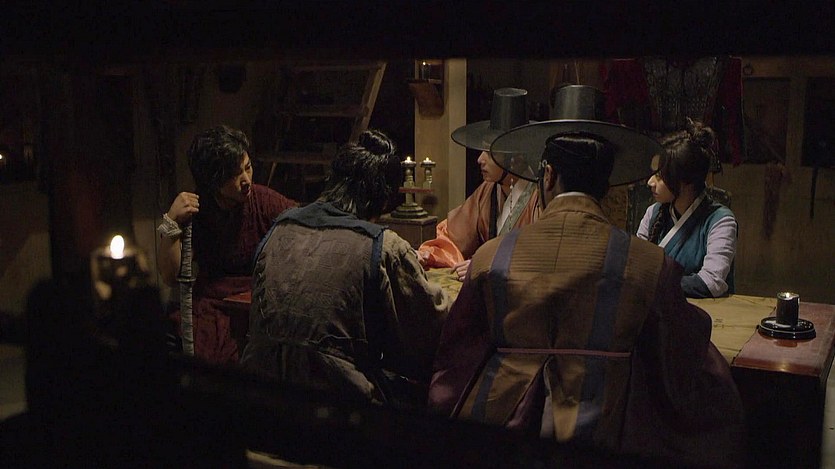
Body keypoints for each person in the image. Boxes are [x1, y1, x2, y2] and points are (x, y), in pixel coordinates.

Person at [427, 121, 745, 468]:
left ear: (548, 176)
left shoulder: (491, 256)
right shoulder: (648, 264)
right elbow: (684, 347)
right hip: (609, 434)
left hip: (502, 436)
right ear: (606, 187)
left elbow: (458, 351)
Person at [240, 129, 450, 409]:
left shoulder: (280, 228)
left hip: (258, 392)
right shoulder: (382, 245)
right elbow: (429, 323)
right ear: (382, 198)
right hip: (337, 399)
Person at [156, 125, 297, 364]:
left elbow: (301, 221)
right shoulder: (198, 210)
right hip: (213, 301)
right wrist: (171, 222)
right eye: (234, 175)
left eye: (248, 168)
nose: (246, 180)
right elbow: (171, 276)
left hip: (257, 300)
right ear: (213, 182)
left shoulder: (262, 200)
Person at [417, 88, 540, 281]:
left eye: (489, 153)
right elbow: (453, 235)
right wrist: (429, 254)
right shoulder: (488, 190)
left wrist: (487, 263)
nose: (480, 159)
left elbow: (541, 256)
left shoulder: (539, 198)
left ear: (514, 157)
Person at [636, 119, 737, 298]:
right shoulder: (653, 213)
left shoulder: (720, 221)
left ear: (686, 181)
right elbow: (635, 267)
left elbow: (711, 283)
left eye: (659, 177)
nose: (650, 182)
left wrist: (654, 283)